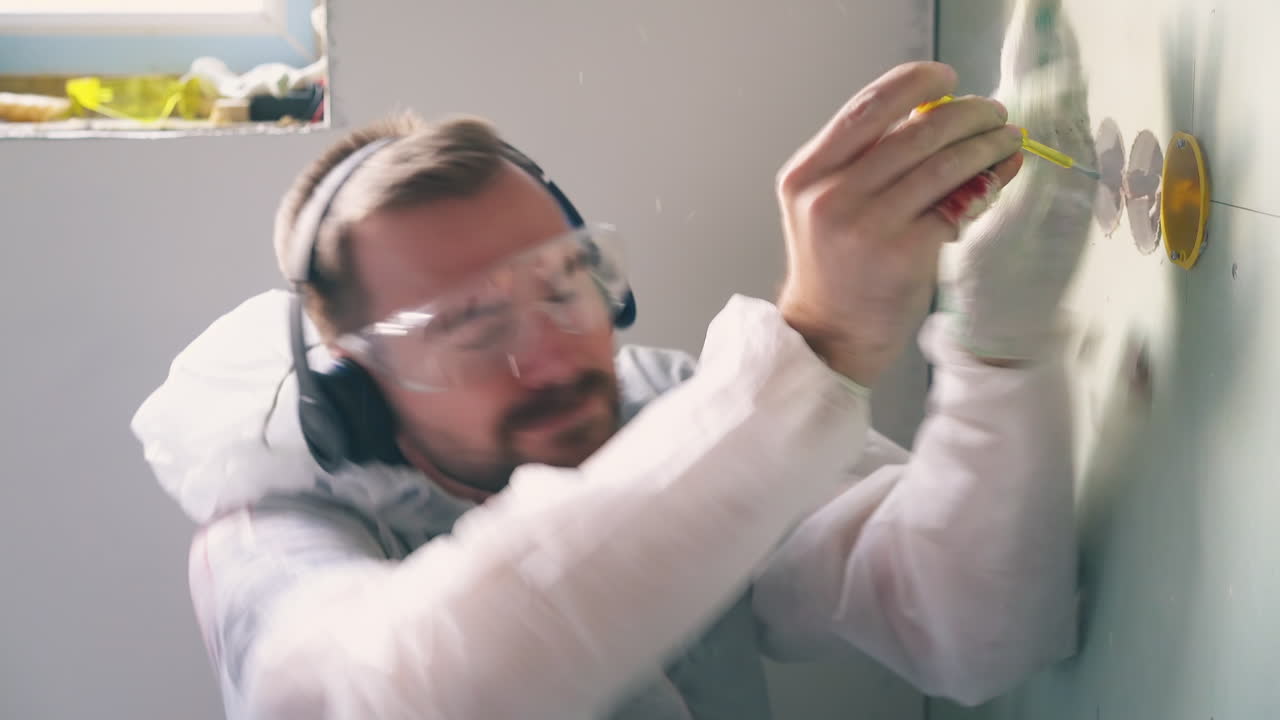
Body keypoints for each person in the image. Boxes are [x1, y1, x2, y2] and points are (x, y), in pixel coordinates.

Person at [132, 1, 1095, 717]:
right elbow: (420, 692)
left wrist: (995, 348)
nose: (552, 354)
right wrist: (817, 351)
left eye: (563, 284)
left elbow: (971, 633)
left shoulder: (666, 409)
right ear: (356, 394)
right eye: (470, 327)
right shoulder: (266, 546)